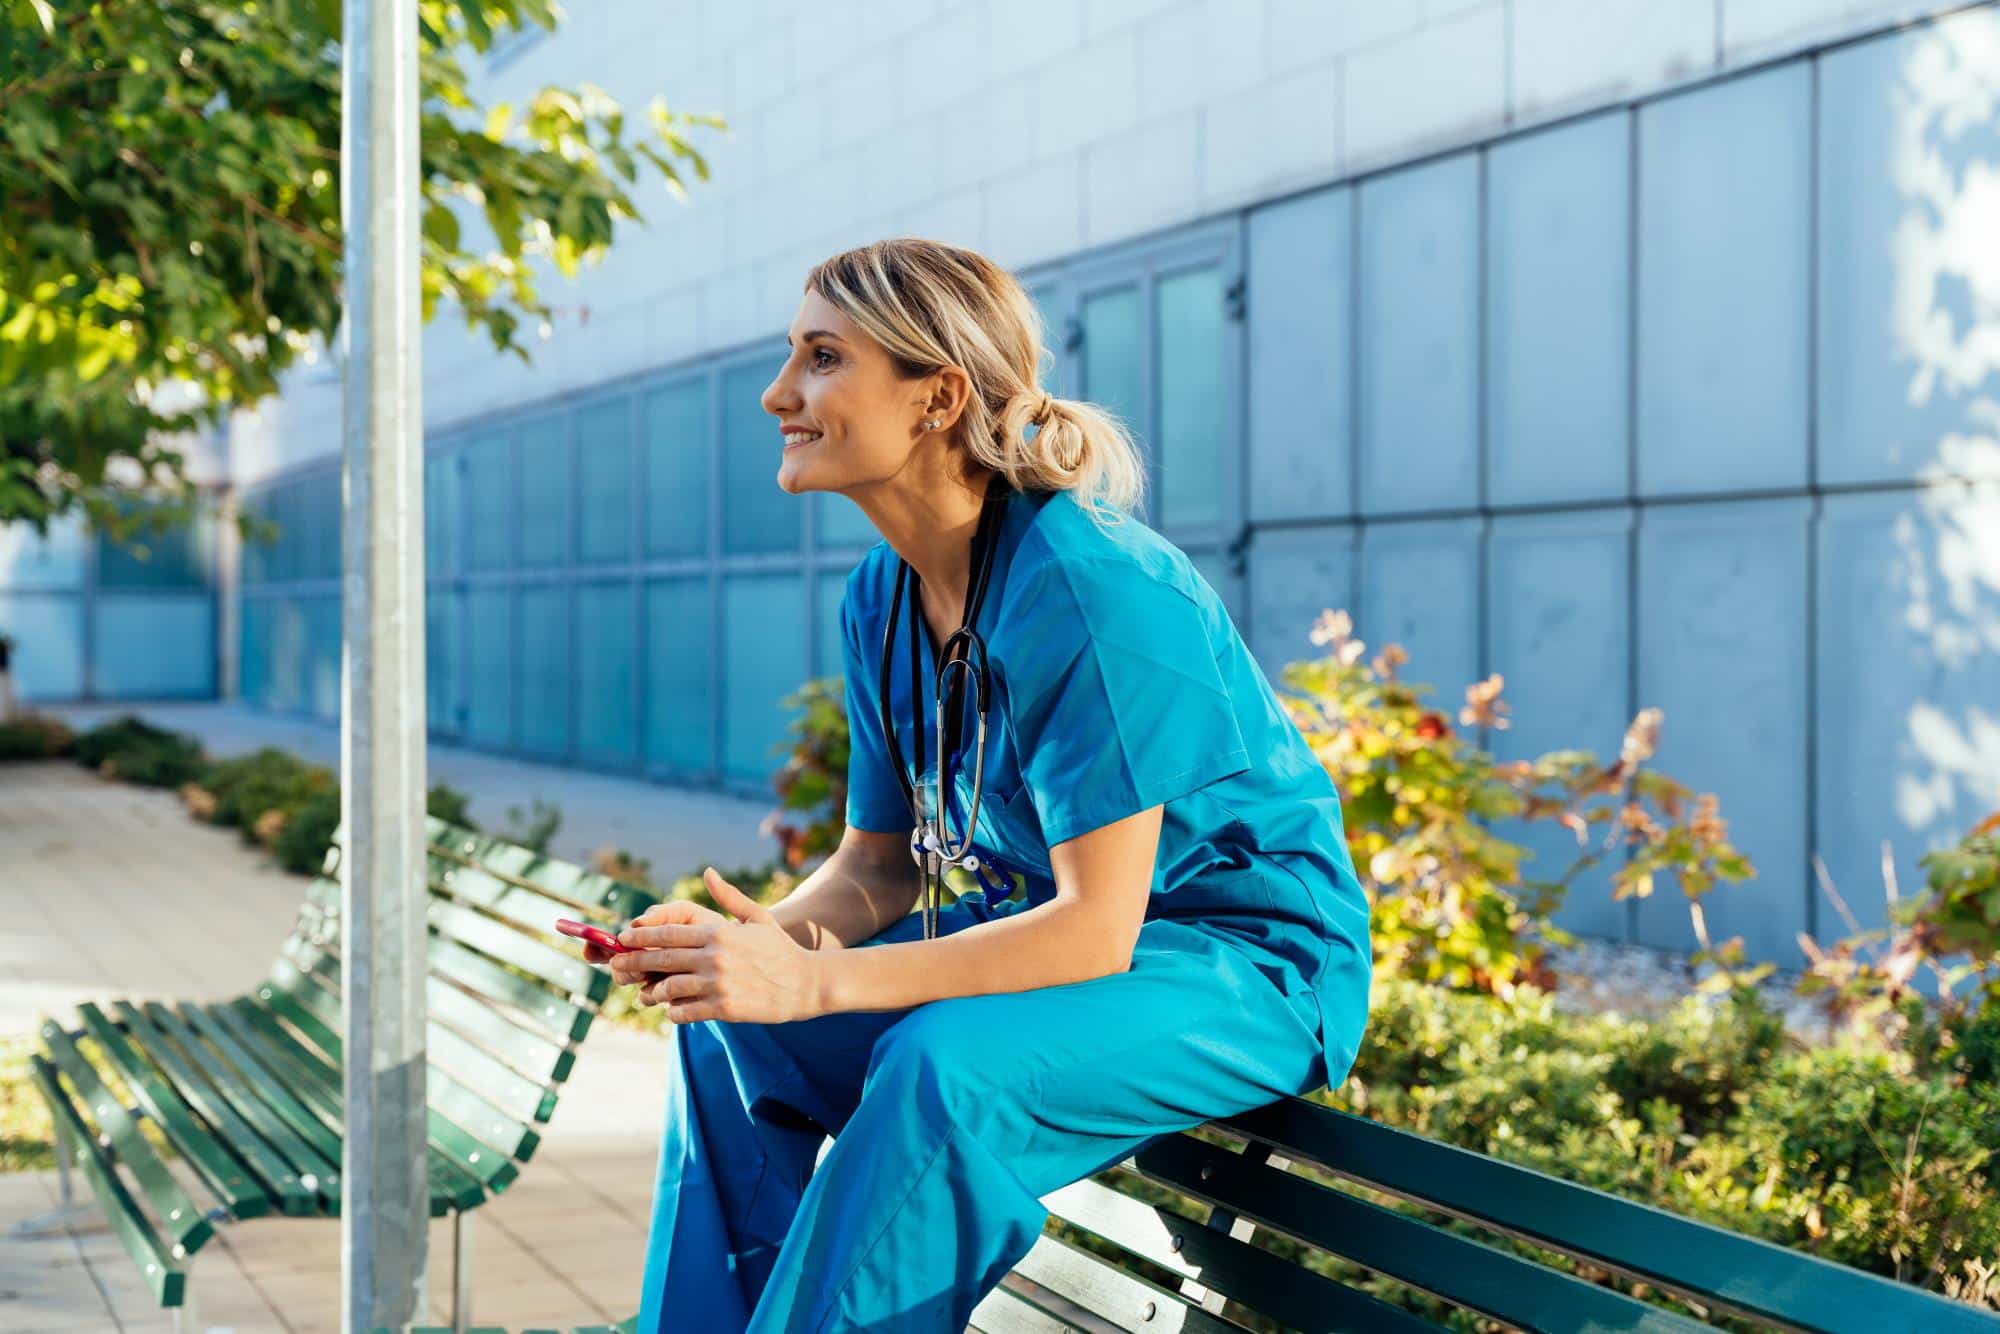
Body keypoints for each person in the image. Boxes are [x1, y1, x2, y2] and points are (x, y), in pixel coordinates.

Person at [590, 238, 1372, 1333]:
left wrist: (816, 983)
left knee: (940, 1063)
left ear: (936, 397)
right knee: (731, 1027)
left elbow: (1097, 931)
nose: (779, 394)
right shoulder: (883, 596)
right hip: (1051, 933)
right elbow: (874, 865)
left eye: (821, 358)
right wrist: (748, 952)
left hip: (1240, 960)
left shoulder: (1097, 588)